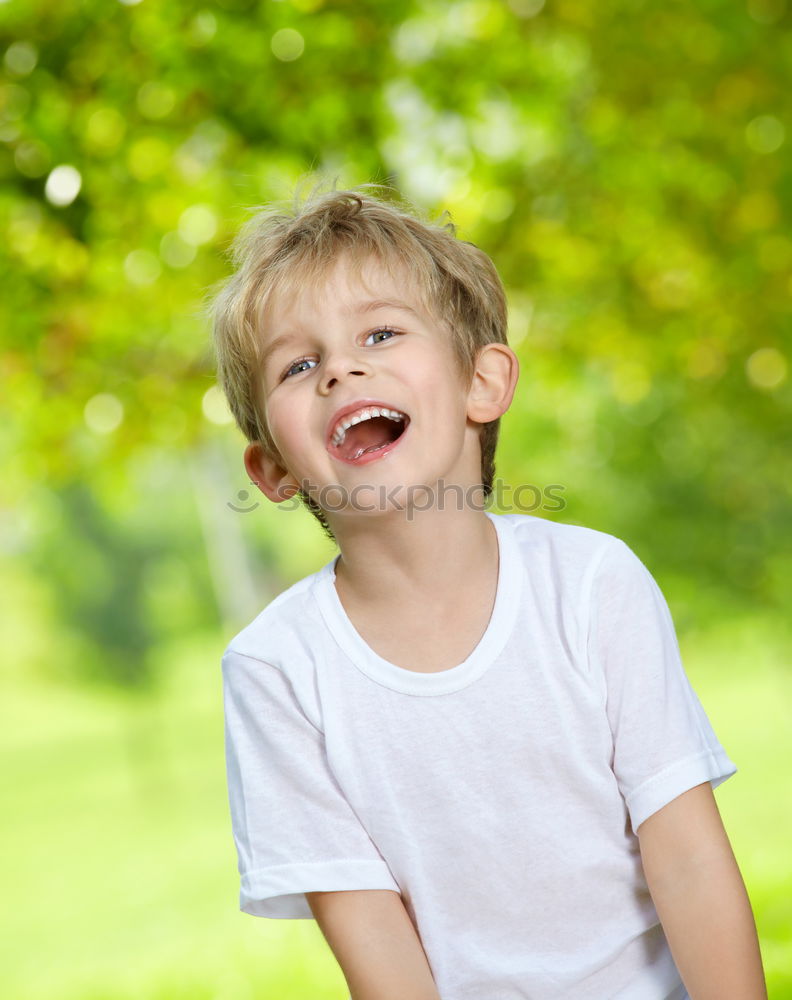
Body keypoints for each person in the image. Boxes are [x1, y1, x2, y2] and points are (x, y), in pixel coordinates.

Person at [211, 186, 767, 1000]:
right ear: (275, 469)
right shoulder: (276, 670)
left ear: (482, 383)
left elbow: (686, 859)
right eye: (298, 365)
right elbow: (374, 942)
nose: (341, 367)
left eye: (381, 333)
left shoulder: (590, 585)